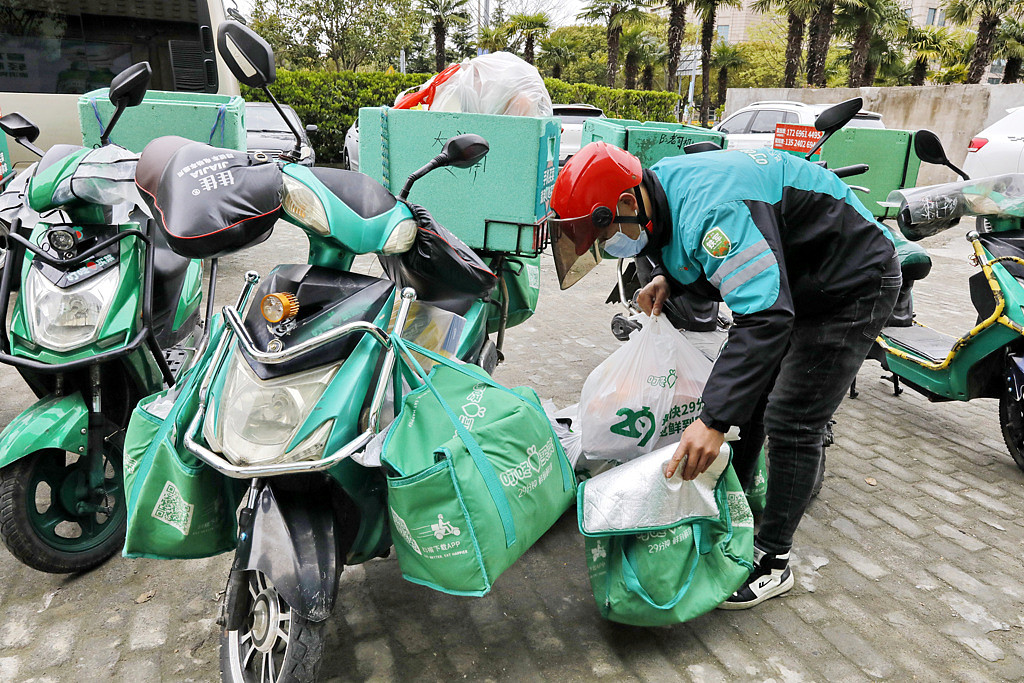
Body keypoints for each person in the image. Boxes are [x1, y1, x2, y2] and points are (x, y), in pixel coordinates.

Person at [549, 142, 900, 609]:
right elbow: (688, 247)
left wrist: (712, 421)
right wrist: (669, 280)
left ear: (630, 204)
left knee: (792, 417)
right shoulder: (658, 192)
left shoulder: (714, 210)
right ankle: (735, 510)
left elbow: (766, 318)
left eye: (607, 232)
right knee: (749, 402)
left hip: (851, 282)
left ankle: (773, 559)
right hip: (793, 281)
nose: (607, 245)